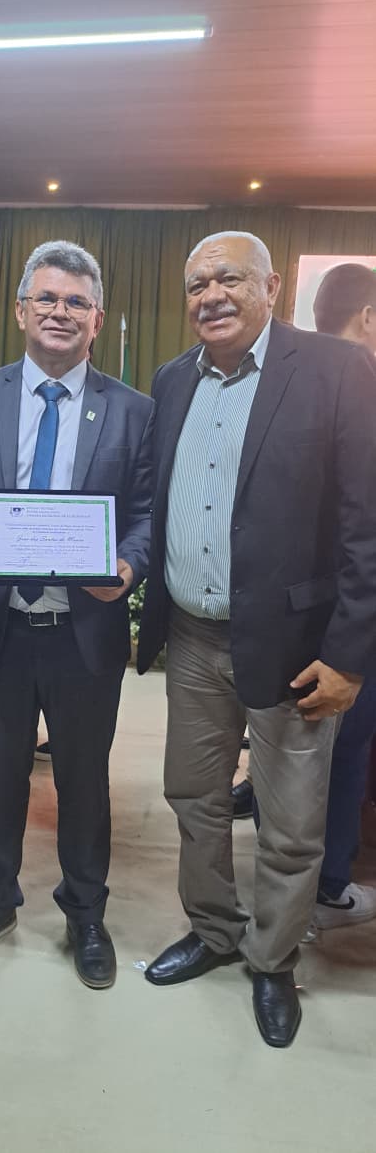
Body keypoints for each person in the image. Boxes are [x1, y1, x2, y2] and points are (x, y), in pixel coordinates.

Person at [137, 231, 376, 1047]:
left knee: (292, 823)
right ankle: (212, 930)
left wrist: (347, 656)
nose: (210, 294)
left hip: (297, 648)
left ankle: (271, 960)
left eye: (229, 278)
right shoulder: (172, 379)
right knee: (192, 798)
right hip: (192, 639)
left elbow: (365, 527)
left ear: (271, 287)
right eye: (196, 283)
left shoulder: (336, 370)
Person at [0, 240, 155, 989]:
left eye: (77, 302)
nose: (61, 312)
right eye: (47, 299)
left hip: (85, 632)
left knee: (84, 782)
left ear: (98, 319)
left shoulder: (133, 410)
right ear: (20, 310)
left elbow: (145, 513)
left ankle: (85, 913)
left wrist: (127, 565)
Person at [309, 262, 376, 928]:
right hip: (355, 610)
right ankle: (328, 882)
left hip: (290, 606)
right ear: (368, 317)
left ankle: (289, 876)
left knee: (287, 749)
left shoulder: (290, 377)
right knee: (347, 748)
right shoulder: (364, 380)